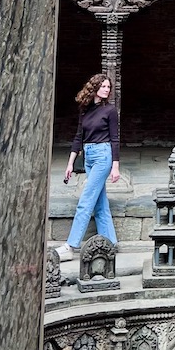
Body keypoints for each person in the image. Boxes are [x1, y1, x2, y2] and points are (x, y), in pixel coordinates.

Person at [59, 74, 120, 255]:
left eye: (108, 87)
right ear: (94, 88)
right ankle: (110, 244)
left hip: (103, 155)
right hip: (89, 156)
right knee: (100, 204)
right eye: (103, 86)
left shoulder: (110, 111)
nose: (106, 89)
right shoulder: (84, 109)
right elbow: (79, 137)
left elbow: (115, 139)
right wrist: (70, 164)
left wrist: (115, 166)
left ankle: (71, 245)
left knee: (85, 202)